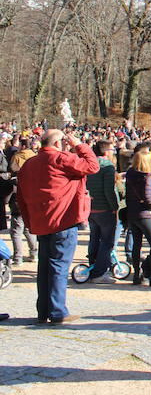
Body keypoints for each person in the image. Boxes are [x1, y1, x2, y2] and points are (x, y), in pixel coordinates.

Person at [17, 129, 99, 324]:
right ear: (58, 143)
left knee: (44, 267)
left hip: (41, 221)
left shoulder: (29, 164)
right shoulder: (61, 159)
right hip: (63, 220)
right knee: (58, 266)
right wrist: (79, 145)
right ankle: (57, 311)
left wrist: (29, 222)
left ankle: (43, 310)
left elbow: (21, 196)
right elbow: (92, 166)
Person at [126, 151, 151, 287]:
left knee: (137, 244)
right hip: (145, 213)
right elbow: (148, 197)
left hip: (132, 213)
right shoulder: (146, 177)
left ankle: (137, 274)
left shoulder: (130, 174)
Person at [85, 140, 119, 283]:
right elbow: (109, 191)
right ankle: (99, 273)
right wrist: (114, 207)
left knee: (94, 238)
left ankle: (92, 266)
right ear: (106, 152)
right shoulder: (107, 167)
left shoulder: (88, 165)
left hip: (90, 207)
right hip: (104, 209)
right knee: (106, 242)